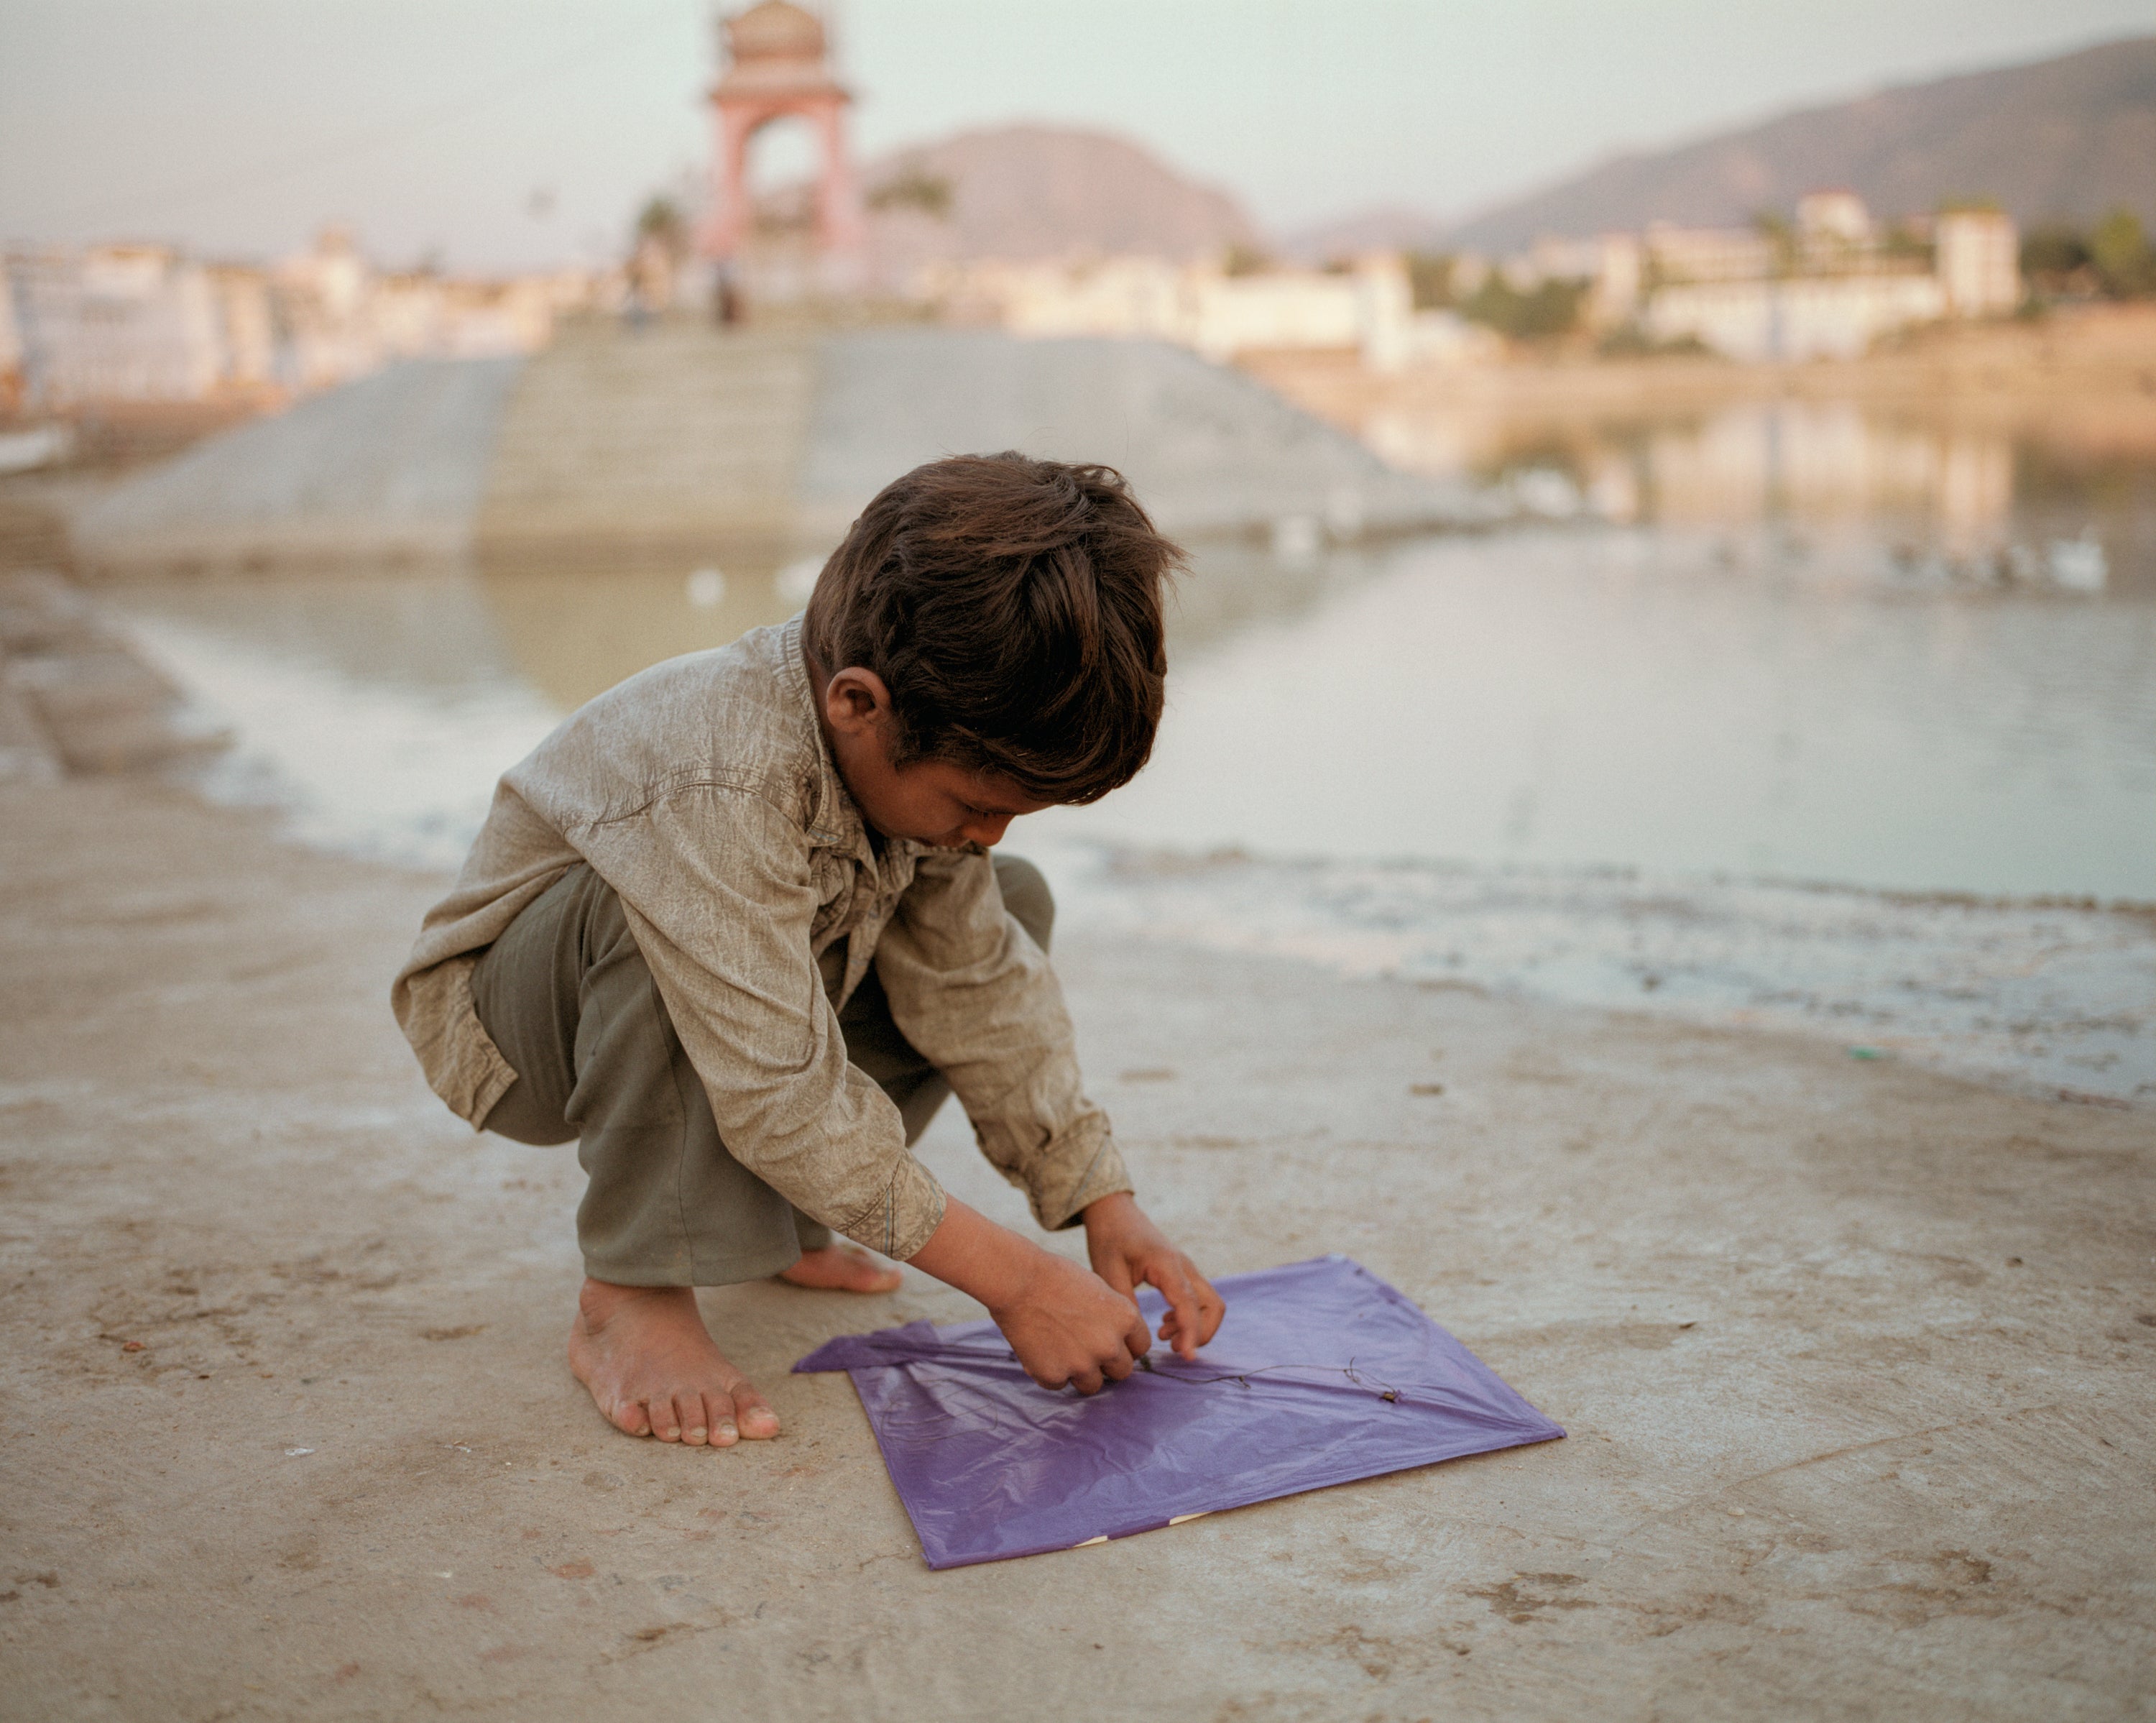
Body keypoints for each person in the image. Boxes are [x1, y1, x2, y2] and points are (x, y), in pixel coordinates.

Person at [392, 453, 1225, 1448]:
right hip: (518, 1027)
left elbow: (974, 986)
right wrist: (1016, 1281)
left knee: (1008, 902)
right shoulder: (717, 778)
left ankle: (763, 1218)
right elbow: (779, 1088)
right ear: (859, 706)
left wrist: (1099, 1196)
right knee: (659, 921)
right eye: (977, 804)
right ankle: (630, 1294)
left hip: (732, 996)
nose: (989, 830)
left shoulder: (912, 761)